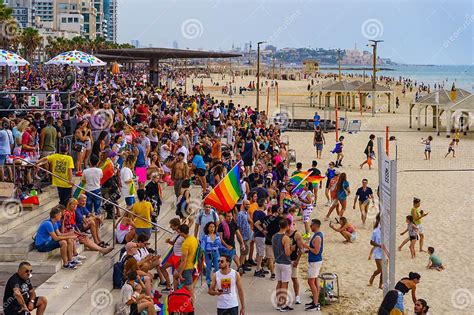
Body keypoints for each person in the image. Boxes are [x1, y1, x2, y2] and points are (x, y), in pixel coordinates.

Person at [272, 219, 293, 312]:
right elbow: (287, 253)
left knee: (279, 283)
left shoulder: (274, 236)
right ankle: (283, 304)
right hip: (285, 263)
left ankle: (278, 303)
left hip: (277, 262)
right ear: (287, 226)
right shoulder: (286, 238)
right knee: (285, 284)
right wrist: (292, 248)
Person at [255, 206, 281, 280]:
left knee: (270, 258)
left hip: (269, 240)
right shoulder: (281, 219)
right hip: (277, 241)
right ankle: (273, 271)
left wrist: (263, 230)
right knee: (274, 259)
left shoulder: (268, 218)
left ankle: (272, 273)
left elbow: (256, 224)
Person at [302, 219, 323, 311]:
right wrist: (307, 250)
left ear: (315, 225)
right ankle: (315, 301)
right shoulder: (317, 235)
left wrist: (307, 247)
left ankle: (315, 303)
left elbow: (316, 251)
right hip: (315, 261)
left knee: (310, 282)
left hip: (315, 261)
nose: (310, 227)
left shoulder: (317, 237)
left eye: (311, 225)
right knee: (315, 281)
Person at [173, 224, 198, 298]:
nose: (179, 234)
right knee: (175, 275)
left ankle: (191, 305)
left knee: (190, 290)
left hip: (187, 267)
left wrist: (180, 273)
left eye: (179, 232)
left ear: (182, 233)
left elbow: (184, 261)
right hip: (192, 264)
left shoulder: (185, 244)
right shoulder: (193, 238)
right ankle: (176, 295)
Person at [160, 218, 184, 294]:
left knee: (177, 274)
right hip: (174, 255)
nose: (170, 227)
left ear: (176, 226)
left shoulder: (182, 234)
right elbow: (175, 243)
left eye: (171, 226)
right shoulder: (176, 233)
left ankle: (175, 289)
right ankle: (169, 287)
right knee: (163, 268)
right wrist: (169, 241)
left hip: (178, 256)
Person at [287, 217, 303, 305]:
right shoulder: (283, 234)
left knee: (294, 278)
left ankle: (297, 296)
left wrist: (297, 260)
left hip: (293, 259)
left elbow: (301, 249)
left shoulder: (296, 234)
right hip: (284, 260)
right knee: (284, 280)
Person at [201, 221, 222, 287]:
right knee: (208, 269)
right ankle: (209, 283)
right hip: (208, 254)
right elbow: (203, 246)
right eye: (210, 227)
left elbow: (220, 245)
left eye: (213, 227)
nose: (212, 228)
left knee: (217, 268)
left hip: (216, 253)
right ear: (207, 228)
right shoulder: (205, 237)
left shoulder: (217, 235)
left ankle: (217, 282)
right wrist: (202, 252)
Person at [236, 201, 252, 274]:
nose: (248, 205)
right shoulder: (240, 214)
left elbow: (249, 221)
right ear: (243, 205)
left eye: (249, 204)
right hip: (243, 237)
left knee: (245, 252)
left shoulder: (246, 213)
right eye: (246, 204)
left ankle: (242, 265)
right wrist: (240, 237)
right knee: (243, 252)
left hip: (247, 236)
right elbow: (238, 226)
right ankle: (239, 267)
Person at [368, 213, 383, 289]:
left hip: (385, 252)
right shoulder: (375, 231)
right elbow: (371, 242)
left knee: (384, 270)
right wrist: (379, 245)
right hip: (378, 251)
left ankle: (380, 285)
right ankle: (373, 276)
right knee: (380, 269)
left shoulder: (387, 230)